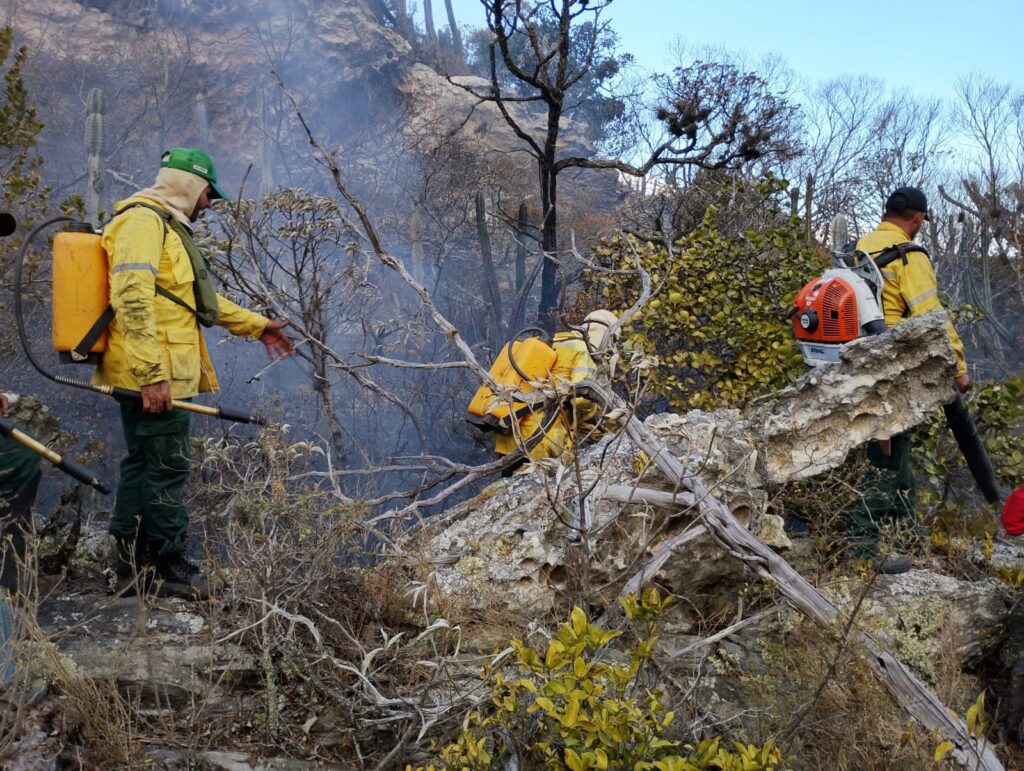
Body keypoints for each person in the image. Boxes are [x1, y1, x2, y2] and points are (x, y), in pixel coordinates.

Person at [95, 147, 293, 599]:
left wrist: (257, 325)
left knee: (145, 464)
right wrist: (151, 375)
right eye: (208, 193)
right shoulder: (143, 222)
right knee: (168, 466)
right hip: (153, 376)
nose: (208, 203)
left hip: (156, 373)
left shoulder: (164, 226)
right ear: (188, 183)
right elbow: (131, 299)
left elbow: (195, 300)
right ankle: (167, 566)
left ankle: (130, 568)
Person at [848, 186, 970, 574]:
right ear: (917, 219)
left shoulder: (858, 249)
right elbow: (930, 317)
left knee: (895, 446)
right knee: (885, 455)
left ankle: (907, 533)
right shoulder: (909, 255)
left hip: (856, 362)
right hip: (893, 365)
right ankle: (861, 548)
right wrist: (958, 366)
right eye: (921, 221)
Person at [493, 310, 617, 474]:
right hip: (541, 439)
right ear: (607, 336)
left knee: (509, 484)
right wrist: (597, 416)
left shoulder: (555, 340)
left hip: (510, 432)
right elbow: (580, 400)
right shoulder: (584, 351)